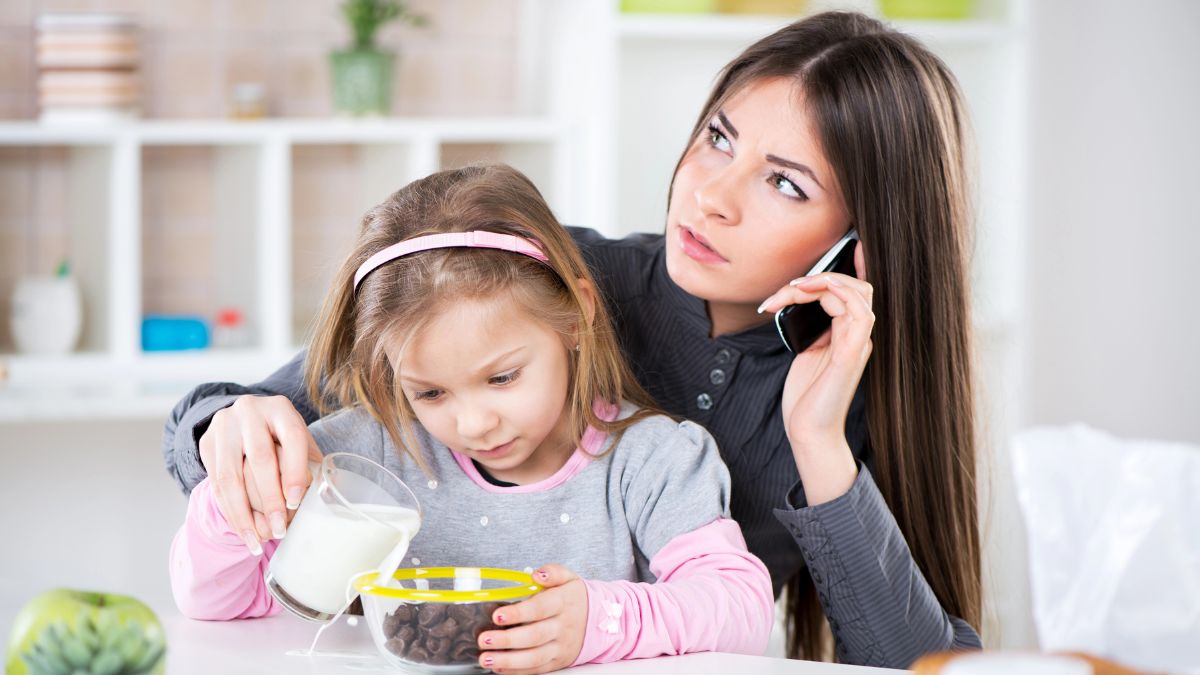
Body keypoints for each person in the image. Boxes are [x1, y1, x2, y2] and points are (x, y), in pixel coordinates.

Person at [163, 11, 982, 668]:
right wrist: (228, 431)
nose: (711, 196)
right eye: (718, 139)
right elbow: (245, 416)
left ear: (863, 238)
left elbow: (919, 662)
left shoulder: (853, 390)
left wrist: (816, 438)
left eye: (783, 182)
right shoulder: (554, 277)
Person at [168, 165, 775, 673]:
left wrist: (602, 619)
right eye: (430, 393)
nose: (474, 423)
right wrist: (233, 505)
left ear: (576, 317)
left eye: (502, 378)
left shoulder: (652, 461)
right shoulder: (364, 459)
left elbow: (742, 607)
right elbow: (225, 602)